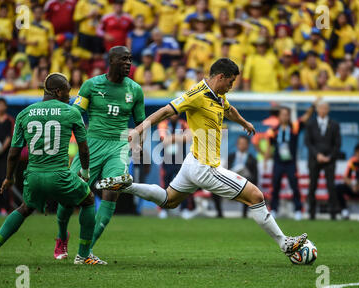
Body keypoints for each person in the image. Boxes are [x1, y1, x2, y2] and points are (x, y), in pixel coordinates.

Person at [97, 58, 308, 257]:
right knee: (256, 196)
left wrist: (244, 123)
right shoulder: (195, 94)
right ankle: (285, 243)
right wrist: (140, 129)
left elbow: (229, 109)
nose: (231, 86)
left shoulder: (218, 94)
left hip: (191, 162)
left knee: (169, 200)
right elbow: (164, 111)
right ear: (220, 77)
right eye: (231, 82)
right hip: (205, 167)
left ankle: (126, 186)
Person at [0, 73, 102, 265]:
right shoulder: (71, 112)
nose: (70, 97)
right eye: (67, 92)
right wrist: (85, 173)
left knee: (25, 208)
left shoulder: (24, 113)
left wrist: (9, 178)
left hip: (33, 176)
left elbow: (13, 153)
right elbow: (83, 149)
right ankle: (83, 255)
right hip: (60, 175)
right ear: (58, 91)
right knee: (88, 200)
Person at [54, 46, 146, 262]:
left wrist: (138, 141)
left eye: (130, 59)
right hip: (92, 144)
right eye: (124, 59)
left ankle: (84, 253)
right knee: (70, 195)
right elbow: (75, 113)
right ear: (111, 60)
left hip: (118, 146)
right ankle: (61, 235)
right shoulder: (91, 85)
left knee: (113, 188)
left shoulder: (135, 89)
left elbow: (141, 122)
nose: (128, 63)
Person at [265, 104, 315, 220]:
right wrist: (266, 159)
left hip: (291, 163)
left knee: (295, 186)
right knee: (275, 186)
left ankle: (298, 210)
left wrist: (312, 107)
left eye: (287, 115)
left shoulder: (295, 127)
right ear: (279, 116)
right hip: (278, 162)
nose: (285, 117)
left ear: (289, 116)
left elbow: (305, 118)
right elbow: (269, 147)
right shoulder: (273, 131)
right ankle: (274, 209)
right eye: (283, 114)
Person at [304, 100, 341, 220]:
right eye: (321, 108)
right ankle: (311, 213)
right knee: (312, 186)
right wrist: (317, 155)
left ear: (328, 110)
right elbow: (308, 142)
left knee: (331, 186)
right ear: (317, 110)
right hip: (314, 160)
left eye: (325, 108)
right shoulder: (310, 124)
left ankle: (333, 213)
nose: (323, 110)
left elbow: (337, 144)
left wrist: (329, 156)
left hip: (330, 160)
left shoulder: (334, 125)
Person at [157, 113, 193, 219]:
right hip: (167, 160)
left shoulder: (183, 124)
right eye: (172, 113)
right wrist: (179, 137)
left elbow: (188, 138)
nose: (174, 115)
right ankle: (163, 210)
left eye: (176, 113)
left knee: (183, 184)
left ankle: (184, 209)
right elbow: (164, 139)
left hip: (180, 160)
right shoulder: (163, 124)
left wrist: (171, 138)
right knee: (165, 185)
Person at [213, 135, 258, 218]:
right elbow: (224, 170)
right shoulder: (231, 157)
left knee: (248, 189)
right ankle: (219, 214)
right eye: (240, 143)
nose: (242, 145)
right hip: (230, 182)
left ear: (248, 145)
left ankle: (244, 214)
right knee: (214, 189)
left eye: (244, 143)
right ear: (237, 145)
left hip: (244, 184)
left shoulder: (252, 159)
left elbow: (255, 177)